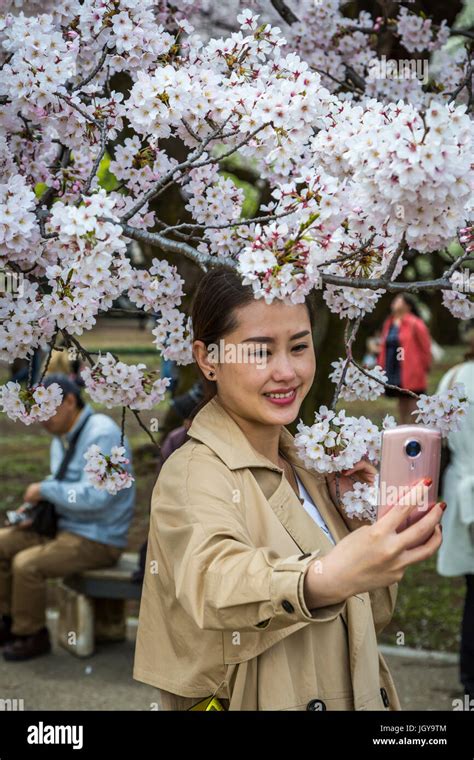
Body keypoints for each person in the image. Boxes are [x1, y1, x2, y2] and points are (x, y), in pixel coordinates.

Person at [133, 267, 445, 711]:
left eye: (299, 347)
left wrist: (364, 528)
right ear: (207, 359)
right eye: (260, 351)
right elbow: (214, 583)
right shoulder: (193, 472)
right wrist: (327, 574)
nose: (286, 372)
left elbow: (368, 619)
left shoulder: (314, 468)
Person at [0, 373, 135, 661]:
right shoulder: (60, 436)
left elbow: (99, 497)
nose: (40, 417)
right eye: (37, 409)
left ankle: (31, 634)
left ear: (70, 401)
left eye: (47, 408)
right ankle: (8, 621)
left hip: (97, 537)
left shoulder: (103, 433)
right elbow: (61, 483)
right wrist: (33, 512)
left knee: (27, 564)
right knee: (2, 543)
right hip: (63, 525)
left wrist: (46, 490)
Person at [436, 325, 474, 700]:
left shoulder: (453, 378)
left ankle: (469, 678)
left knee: (472, 592)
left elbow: (438, 434)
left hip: (462, 489)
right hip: (466, 486)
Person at [377, 293, 432, 424]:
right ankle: (403, 429)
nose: (394, 302)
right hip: (393, 366)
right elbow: (383, 345)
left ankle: (415, 430)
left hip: (412, 368)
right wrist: (380, 366)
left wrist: (425, 366)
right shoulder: (389, 322)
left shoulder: (415, 323)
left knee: (413, 400)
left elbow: (425, 347)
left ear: (407, 306)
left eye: (398, 300)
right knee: (400, 398)